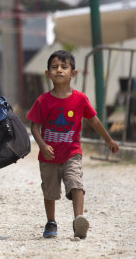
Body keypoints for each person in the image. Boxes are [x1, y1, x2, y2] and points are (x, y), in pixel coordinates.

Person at [26, 50, 119, 239]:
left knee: (76, 183)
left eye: (64, 67)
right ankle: (51, 222)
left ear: (73, 73)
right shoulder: (43, 101)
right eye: (54, 67)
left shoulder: (80, 99)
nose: (59, 70)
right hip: (49, 157)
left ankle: (79, 221)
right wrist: (43, 146)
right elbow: (34, 127)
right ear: (47, 73)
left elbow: (94, 121)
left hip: (72, 153)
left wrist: (108, 139)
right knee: (50, 191)